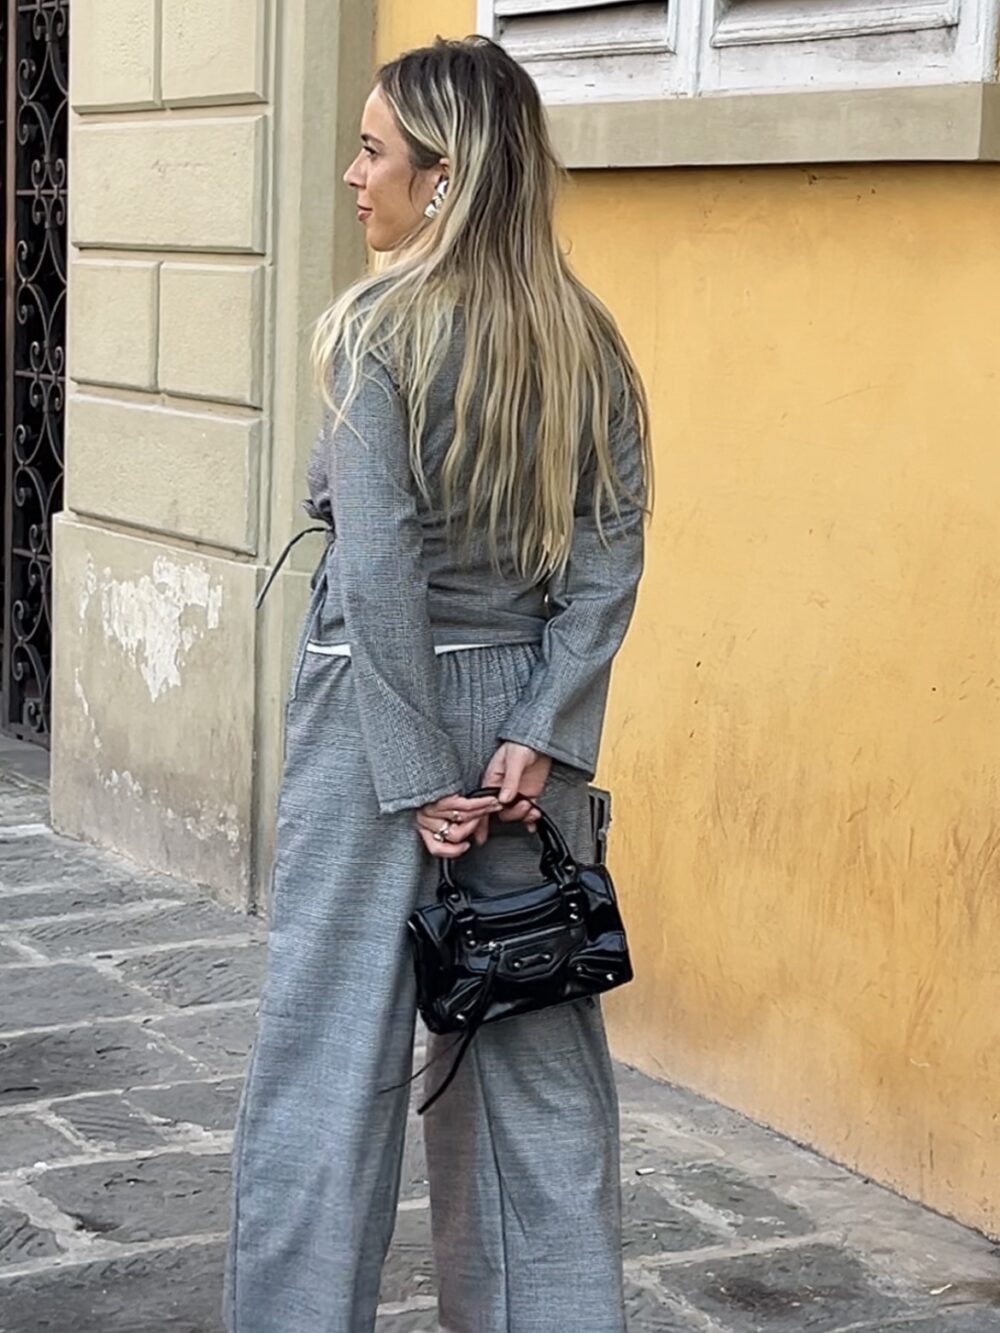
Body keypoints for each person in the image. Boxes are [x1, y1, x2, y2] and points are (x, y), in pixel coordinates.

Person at [225, 35, 650, 1333]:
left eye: (375, 153)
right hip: (522, 734)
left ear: (445, 178)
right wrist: (541, 729)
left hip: (377, 712)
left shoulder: (374, 330)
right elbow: (609, 551)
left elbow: (380, 565)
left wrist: (415, 776)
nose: (356, 176)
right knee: (533, 1068)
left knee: (331, 1059)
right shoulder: (586, 340)